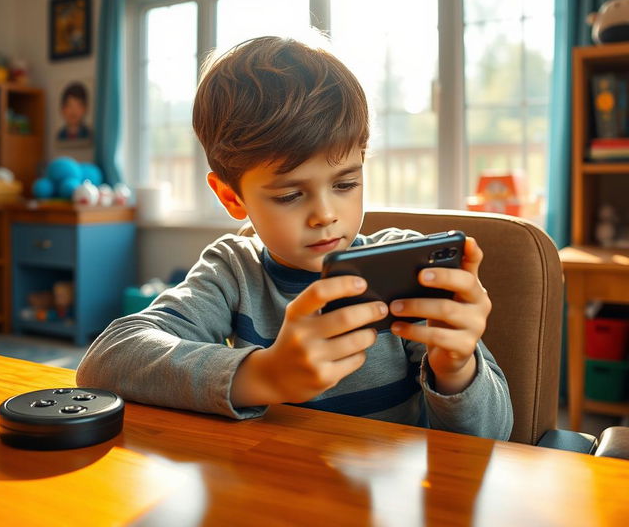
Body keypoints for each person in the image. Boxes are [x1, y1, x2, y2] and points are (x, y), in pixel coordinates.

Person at [77, 35, 513, 439]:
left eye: (345, 184)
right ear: (232, 198)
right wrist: (263, 374)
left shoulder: (405, 267)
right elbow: (108, 358)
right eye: (289, 195)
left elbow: (494, 437)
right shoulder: (234, 270)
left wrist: (455, 366)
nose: (325, 215)